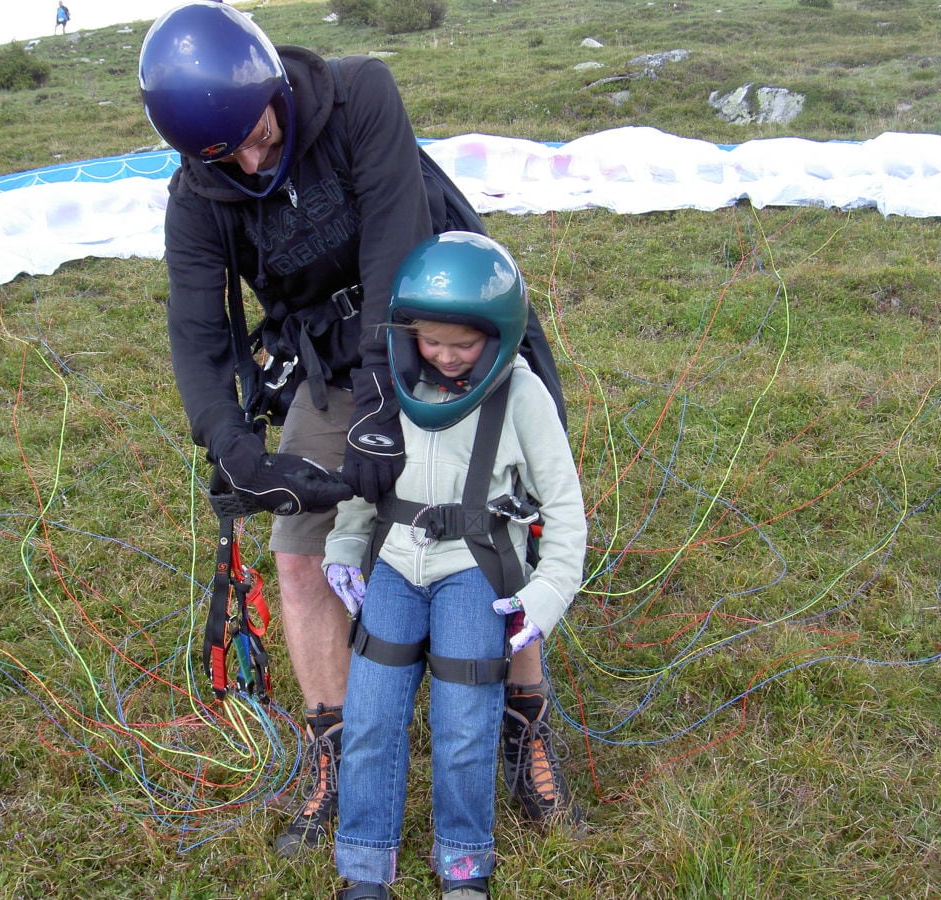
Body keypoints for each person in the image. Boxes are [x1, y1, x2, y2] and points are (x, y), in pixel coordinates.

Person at [137, 0, 570, 857]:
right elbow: (195, 331)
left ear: (273, 88)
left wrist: (387, 400)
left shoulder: (361, 95)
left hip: (439, 336)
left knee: (496, 525)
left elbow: (394, 246)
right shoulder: (197, 199)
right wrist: (235, 449)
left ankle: (527, 723)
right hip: (329, 365)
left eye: (261, 136)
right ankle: (335, 747)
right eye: (231, 157)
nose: (254, 162)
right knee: (298, 554)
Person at [324, 232, 588, 900]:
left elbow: (566, 510)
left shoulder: (519, 393)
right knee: (371, 717)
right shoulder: (389, 381)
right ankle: (362, 865)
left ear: (497, 335)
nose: (442, 356)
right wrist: (342, 551)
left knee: (465, 720)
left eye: (462, 344)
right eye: (428, 339)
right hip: (392, 566)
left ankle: (465, 864)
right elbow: (366, 476)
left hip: (473, 568)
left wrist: (547, 595)